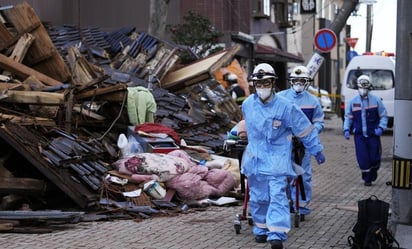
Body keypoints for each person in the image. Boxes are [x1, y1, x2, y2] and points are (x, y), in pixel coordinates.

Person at [241, 63, 326, 249]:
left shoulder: (287, 107)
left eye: (266, 83)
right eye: (259, 83)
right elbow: (245, 126)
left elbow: (305, 130)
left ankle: (277, 234)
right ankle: (261, 229)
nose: (262, 87)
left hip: (277, 160)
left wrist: (316, 150)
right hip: (255, 160)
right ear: (254, 84)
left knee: (278, 196)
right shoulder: (247, 105)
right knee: (258, 197)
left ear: (273, 82)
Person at [277, 65, 325, 218]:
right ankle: (286, 202)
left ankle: (302, 205)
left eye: (302, 80)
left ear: (307, 82)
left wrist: (311, 132)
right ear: (291, 80)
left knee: (303, 175)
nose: (298, 83)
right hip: (283, 145)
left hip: (303, 146)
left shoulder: (313, 101)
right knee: (282, 174)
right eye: (296, 80)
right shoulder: (280, 98)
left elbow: (319, 122)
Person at [343, 74, 388, 186]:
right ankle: (367, 179)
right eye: (361, 85)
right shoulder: (353, 102)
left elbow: (383, 115)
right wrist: (346, 129)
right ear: (357, 86)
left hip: (373, 134)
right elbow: (348, 117)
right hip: (359, 136)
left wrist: (381, 127)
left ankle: (374, 170)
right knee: (362, 158)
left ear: (369, 86)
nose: (363, 88)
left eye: (365, 85)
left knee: (374, 158)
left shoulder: (376, 100)